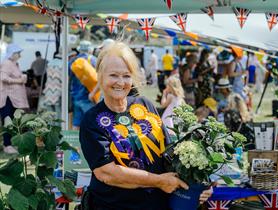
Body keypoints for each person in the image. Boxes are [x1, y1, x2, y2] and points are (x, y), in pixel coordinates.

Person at [79, 42, 212, 210]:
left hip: (157, 204)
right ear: (100, 76)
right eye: (113, 75)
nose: (120, 82)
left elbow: (169, 152)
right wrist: (159, 181)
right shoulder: (91, 120)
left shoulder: (145, 104)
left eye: (126, 76)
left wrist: (199, 184)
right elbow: (107, 173)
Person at [0, 44, 29, 154]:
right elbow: (3, 78)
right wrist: (19, 80)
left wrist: (22, 78)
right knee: (7, 121)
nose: (19, 55)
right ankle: (7, 145)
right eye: (18, 53)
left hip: (13, 98)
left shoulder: (14, 64)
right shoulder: (7, 64)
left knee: (12, 121)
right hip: (8, 98)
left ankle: (10, 144)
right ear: (12, 54)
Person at [69, 40, 97, 129]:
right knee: (91, 121)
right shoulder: (93, 60)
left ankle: (74, 141)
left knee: (76, 122)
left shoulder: (73, 60)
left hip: (76, 96)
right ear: (90, 49)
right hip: (89, 96)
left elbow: (68, 76)